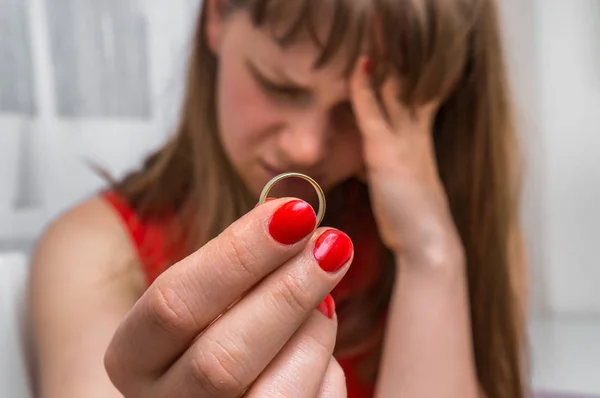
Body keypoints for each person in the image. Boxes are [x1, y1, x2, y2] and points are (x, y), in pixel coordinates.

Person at [27, 0, 529, 397]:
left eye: (356, 113)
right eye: (281, 87)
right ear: (219, 14)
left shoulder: (465, 249)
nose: (306, 147)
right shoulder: (92, 251)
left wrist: (429, 253)